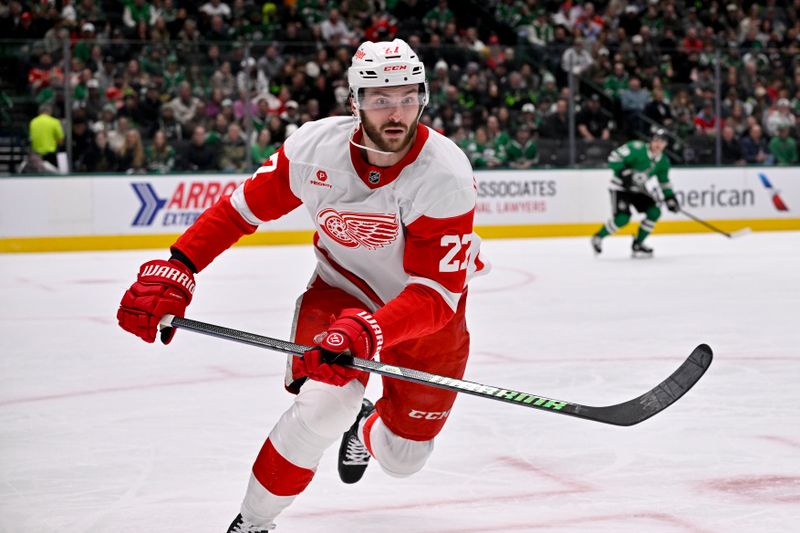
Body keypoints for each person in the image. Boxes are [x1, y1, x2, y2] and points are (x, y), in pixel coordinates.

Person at [116, 38, 486, 533]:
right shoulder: (314, 148)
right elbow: (238, 211)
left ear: (423, 97)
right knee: (324, 406)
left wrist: (372, 332)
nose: (396, 113)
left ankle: (370, 426)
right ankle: (252, 523)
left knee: (404, 460)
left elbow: (436, 297)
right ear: (354, 103)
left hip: (421, 319)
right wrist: (181, 264)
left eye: (407, 97)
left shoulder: (445, 174)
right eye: (380, 99)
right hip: (343, 290)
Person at [590, 129, 679, 258]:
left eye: (662, 142)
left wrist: (670, 198)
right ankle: (598, 237)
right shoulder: (636, 147)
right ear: (651, 141)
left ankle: (638, 244)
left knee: (655, 212)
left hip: (638, 190)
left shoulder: (663, 161)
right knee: (622, 218)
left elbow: (664, 182)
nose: (658, 144)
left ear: (666, 145)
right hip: (620, 187)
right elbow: (614, 157)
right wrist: (624, 172)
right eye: (656, 140)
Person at [28, 102, 64, 168]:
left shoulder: (33, 122)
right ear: (50, 111)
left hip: (37, 155)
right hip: (51, 154)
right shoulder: (55, 122)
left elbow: (31, 138)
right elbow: (60, 140)